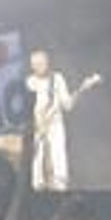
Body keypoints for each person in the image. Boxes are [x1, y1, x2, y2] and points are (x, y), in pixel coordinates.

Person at [26, 49, 101, 193]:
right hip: (36, 126)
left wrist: (82, 89)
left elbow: (68, 105)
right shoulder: (29, 82)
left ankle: (60, 189)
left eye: (42, 63)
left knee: (58, 157)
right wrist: (36, 123)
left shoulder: (57, 79)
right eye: (35, 64)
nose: (39, 66)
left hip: (55, 124)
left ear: (47, 63)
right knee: (36, 159)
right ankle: (36, 188)